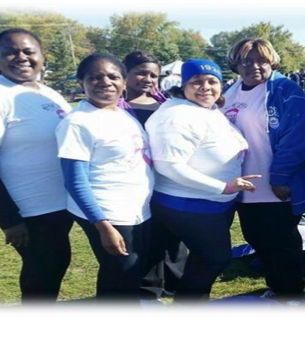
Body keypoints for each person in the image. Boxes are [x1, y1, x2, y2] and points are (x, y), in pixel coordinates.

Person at [0, 28, 74, 310]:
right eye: (10, 52)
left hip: (58, 204)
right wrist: (8, 219)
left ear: (42, 56)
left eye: (28, 51)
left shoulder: (48, 93)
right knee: (43, 271)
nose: (20, 57)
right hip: (27, 209)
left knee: (54, 263)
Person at [145, 59, 253, 310]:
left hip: (211, 203)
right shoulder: (177, 115)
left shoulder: (206, 110)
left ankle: (198, 302)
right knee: (215, 257)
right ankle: (182, 305)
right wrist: (223, 187)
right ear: (183, 86)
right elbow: (168, 165)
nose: (205, 87)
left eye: (212, 81)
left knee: (204, 257)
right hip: (189, 202)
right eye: (197, 82)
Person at [222, 38, 305, 311]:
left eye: (261, 60)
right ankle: (277, 287)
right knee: (256, 237)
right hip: (242, 184)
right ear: (236, 64)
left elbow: (296, 138)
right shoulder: (230, 91)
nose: (254, 66)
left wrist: (280, 177)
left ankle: (293, 294)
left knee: (282, 241)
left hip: (275, 184)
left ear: (271, 61)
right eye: (246, 61)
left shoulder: (286, 90)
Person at [55, 54, 153, 310]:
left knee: (125, 274)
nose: (105, 82)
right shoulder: (78, 122)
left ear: (123, 82)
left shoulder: (121, 114)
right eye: (95, 77)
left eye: (113, 76)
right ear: (81, 82)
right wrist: (102, 225)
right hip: (108, 212)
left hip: (134, 210)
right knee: (121, 274)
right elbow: (75, 180)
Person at [113, 51, 189, 311]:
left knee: (175, 234)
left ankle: (177, 282)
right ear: (126, 73)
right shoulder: (114, 107)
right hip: (135, 183)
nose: (147, 79)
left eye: (153, 75)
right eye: (141, 73)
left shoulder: (166, 103)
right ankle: (148, 290)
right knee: (150, 237)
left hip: (170, 179)